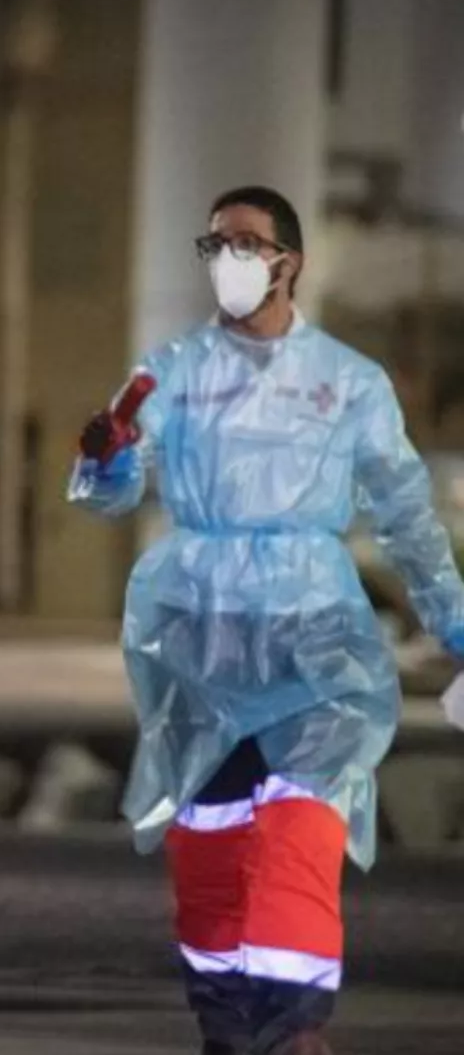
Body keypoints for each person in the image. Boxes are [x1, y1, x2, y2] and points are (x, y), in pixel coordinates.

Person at [68, 187, 464, 1055]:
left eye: (247, 242)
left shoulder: (350, 383)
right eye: (214, 243)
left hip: (314, 638)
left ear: (291, 261)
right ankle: (228, 1026)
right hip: (198, 641)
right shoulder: (167, 371)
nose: (229, 258)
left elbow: (406, 513)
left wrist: (456, 623)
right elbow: (113, 493)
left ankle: (293, 1032)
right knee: (209, 845)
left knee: (298, 825)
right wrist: (105, 463)